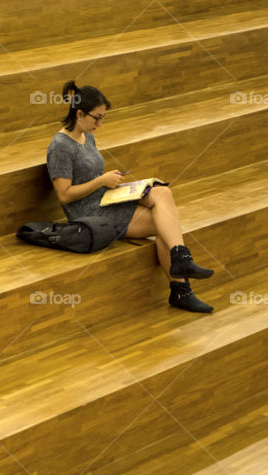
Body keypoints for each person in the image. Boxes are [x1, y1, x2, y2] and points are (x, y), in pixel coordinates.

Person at [45, 80, 215, 313]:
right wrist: (101, 181)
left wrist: (110, 184)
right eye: (97, 118)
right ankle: (180, 288)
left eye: (103, 117)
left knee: (162, 191)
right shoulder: (60, 146)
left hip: (105, 198)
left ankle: (181, 260)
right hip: (89, 214)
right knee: (163, 223)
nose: (100, 124)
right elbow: (64, 196)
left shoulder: (88, 136)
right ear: (80, 113)